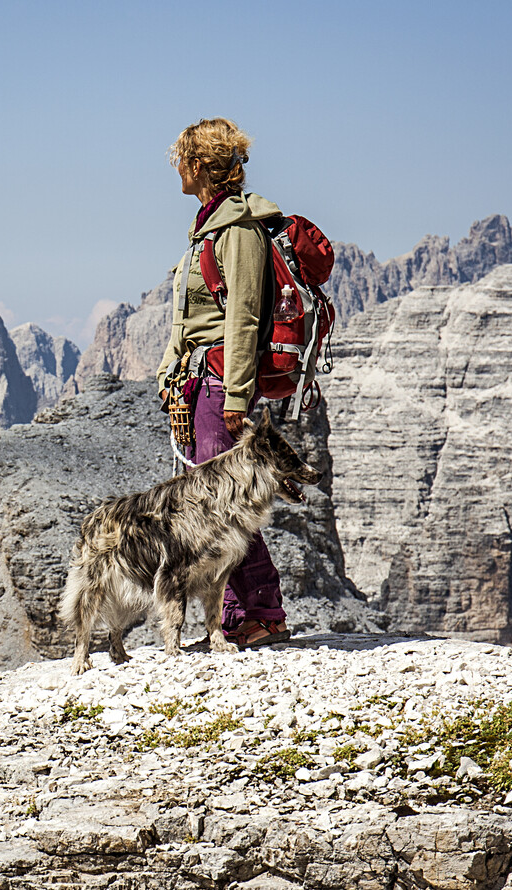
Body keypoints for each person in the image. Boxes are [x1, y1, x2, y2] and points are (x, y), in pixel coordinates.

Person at [156, 117, 290, 649]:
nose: (176, 170)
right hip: (195, 381)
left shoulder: (238, 229)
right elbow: (187, 318)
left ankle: (260, 611)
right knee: (206, 505)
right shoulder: (206, 227)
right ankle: (233, 617)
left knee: (222, 506)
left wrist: (236, 395)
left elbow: (244, 316)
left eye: (181, 160)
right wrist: (169, 373)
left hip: (218, 385)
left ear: (198, 165)